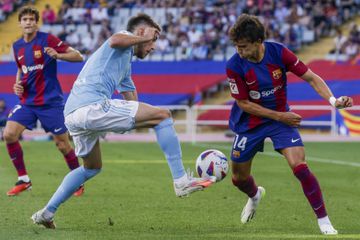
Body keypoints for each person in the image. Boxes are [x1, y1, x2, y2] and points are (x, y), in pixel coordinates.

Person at [31, 13, 216, 229]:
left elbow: (131, 99)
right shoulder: (123, 39)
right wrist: (143, 39)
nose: (153, 46)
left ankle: (47, 212)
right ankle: (181, 181)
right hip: (91, 107)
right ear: (140, 32)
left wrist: (143, 120)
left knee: (91, 168)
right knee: (164, 115)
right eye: (154, 38)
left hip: (73, 114)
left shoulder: (125, 62)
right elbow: (116, 40)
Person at [225, 14, 353, 235]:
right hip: (250, 122)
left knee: (300, 167)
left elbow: (311, 77)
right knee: (238, 178)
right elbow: (243, 103)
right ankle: (255, 195)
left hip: (281, 119)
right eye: (237, 46)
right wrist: (279, 116)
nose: (240, 51)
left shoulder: (278, 53)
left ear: (258, 42)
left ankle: (324, 220)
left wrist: (334, 101)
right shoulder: (234, 65)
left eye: (244, 47)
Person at [3, 6, 84, 197]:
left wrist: (59, 55)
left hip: (50, 103)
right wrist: (17, 85)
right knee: (9, 134)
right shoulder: (16, 46)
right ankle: (24, 180)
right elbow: (21, 69)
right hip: (28, 102)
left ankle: (77, 181)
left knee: (63, 145)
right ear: (19, 23)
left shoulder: (47, 39)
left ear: (36, 22)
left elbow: (78, 56)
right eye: (25, 19)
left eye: (32, 19)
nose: (29, 22)